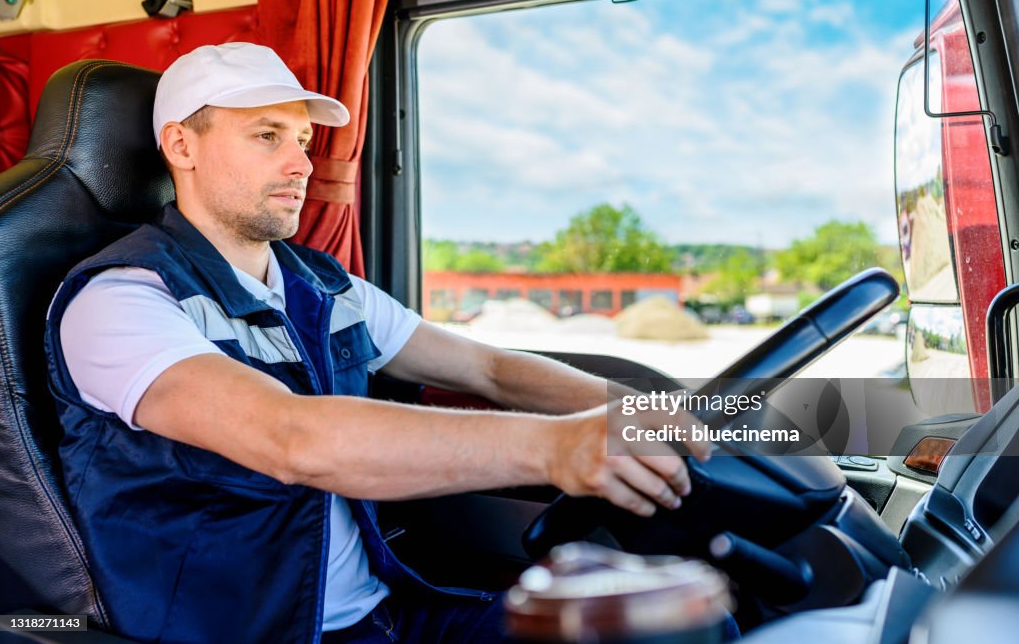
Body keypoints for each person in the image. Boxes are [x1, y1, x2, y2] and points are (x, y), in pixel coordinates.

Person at [44, 43, 709, 644]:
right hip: (249, 630)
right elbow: (292, 437)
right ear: (182, 147)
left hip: (388, 612)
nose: (301, 162)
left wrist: (641, 409)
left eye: (303, 139)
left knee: (668, 628)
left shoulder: (324, 286)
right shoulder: (121, 298)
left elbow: (491, 369)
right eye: (267, 135)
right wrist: (560, 446)